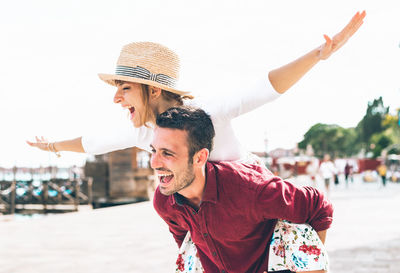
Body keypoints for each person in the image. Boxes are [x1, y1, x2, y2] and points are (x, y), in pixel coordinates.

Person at [26, 11, 365, 273]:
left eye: (124, 87)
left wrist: (319, 54)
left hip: (252, 205)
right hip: (208, 216)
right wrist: (53, 146)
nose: (116, 97)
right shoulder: (145, 131)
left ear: (153, 89)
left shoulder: (209, 111)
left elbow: (266, 87)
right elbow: (94, 142)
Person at [152, 106, 333, 273]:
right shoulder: (164, 201)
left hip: (273, 265)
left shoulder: (249, 189)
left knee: (302, 231)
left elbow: (317, 205)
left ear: (200, 158)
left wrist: (309, 262)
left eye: (167, 153)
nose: (154, 163)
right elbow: (181, 237)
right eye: (153, 151)